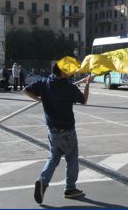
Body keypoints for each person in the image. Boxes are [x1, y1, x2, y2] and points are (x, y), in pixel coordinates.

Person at [23, 61, 93, 204]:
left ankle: (42, 181)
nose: (70, 72)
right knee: (72, 158)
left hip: (52, 131)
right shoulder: (68, 87)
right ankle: (70, 189)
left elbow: (25, 90)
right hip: (67, 131)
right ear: (62, 72)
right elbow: (84, 100)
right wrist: (87, 83)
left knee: (53, 158)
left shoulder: (44, 82)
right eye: (67, 69)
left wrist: (39, 99)